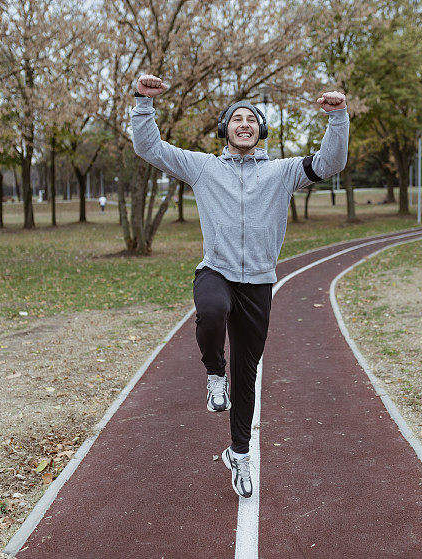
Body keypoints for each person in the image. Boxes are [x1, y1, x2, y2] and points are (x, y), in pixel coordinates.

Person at [131, 74, 349, 498]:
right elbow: (149, 148)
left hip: (259, 285)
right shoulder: (203, 166)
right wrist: (142, 102)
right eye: (236, 118)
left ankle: (240, 453)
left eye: (252, 119)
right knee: (210, 312)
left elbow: (329, 163)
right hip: (217, 271)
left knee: (246, 374)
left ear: (261, 130)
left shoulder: (282, 172)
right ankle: (215, 374)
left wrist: (338, 117)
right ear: (225, 130)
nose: (244, 123)